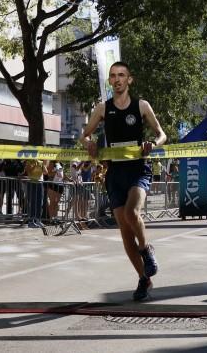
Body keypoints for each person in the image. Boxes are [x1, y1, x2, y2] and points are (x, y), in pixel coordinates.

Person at [80, 61, 167, 301]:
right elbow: (84, 135)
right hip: (115, 173)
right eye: (113, 76)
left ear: (129, 80)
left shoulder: (141, 105)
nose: (117, 79)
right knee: (125, 234)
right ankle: (143, 279)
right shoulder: (102, 108)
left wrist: (153, 143)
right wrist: (88, 143)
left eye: (122, 75)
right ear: (110, 81)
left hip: (138, 169)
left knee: (132, 212)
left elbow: (162, 134)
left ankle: (146, 249)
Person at [24, 159, 45, 228]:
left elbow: (45, 172)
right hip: (31, 183)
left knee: (40, 202)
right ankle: (31, 221)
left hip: (39, 183)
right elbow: (28, 171)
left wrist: (43, 165)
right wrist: (35, 165)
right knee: (32, 202)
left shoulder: (41, 162)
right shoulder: (29, 161)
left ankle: (38, 220)